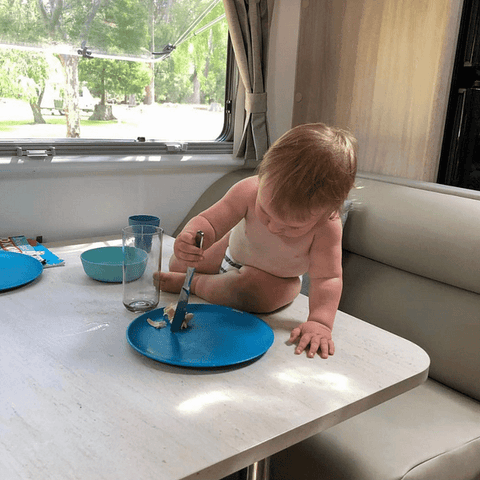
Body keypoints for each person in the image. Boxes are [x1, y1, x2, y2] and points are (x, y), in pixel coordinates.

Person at [155, 123, 357, 359]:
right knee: (179, 263)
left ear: (328, 210)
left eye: (292, 227)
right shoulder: (248, 190)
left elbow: (328, 278)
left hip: (275, 280)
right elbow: (209, 222)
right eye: (266, 212)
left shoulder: (327, 225)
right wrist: (190, 238)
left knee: (252, 292)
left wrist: (320, 322)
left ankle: (195, 284)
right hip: (230, 252)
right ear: (263, 174)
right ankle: (194, 277)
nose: (274, 227)